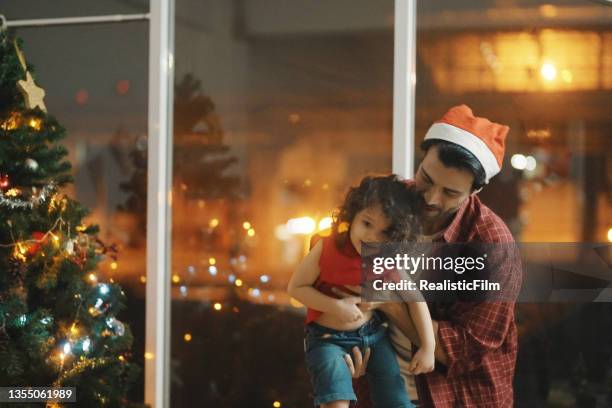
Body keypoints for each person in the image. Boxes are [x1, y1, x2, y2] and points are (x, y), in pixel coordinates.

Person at [339, 105, 522, 407]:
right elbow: (335, 260)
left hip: (455, 397)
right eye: (426, 177)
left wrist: (387, 302)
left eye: (450, 193)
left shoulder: (493, 246)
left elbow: (461, 349)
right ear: (421, 160)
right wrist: (345, 348)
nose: (430, 198)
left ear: (474, 191)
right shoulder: (385, 204)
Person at [287, 175, 435, 408]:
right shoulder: (326, 247)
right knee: (335, 400)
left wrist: (428, 347)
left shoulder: (387, 260)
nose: (370, 238)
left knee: (394, 397)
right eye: (367, 224)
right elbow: (296, 287)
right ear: (352, 215)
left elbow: (416, 300)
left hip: (374, 338)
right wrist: (335, 306)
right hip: (328, 342)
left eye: (384, 234)